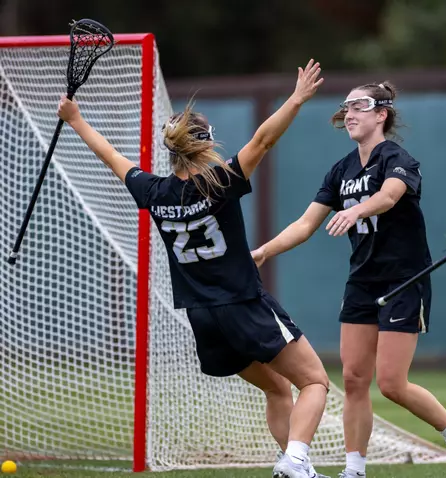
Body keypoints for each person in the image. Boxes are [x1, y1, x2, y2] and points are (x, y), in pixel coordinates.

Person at [58, 59, 330, 478]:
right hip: (244, 306)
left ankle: (298, 468)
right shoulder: (219, 183)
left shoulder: (152, 190)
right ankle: (295, 459)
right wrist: (296, 99)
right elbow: (263, 140)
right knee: (315, 382)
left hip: (203, 319)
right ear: (205, 144)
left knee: (277, 388)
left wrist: (75, 119)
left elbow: (111, 155)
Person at [251, 82, 446, 478]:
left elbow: (390, 196)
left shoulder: (398, 158)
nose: (350, 113)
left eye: (360, 105)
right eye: (347, 106)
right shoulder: (340, 170)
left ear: (381, 114)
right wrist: (264, 251)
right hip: (362, 282)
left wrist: (357, 212)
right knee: (354, 379)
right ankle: (354, 469)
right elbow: (306, 224)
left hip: (404, 280)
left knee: (391, 383)